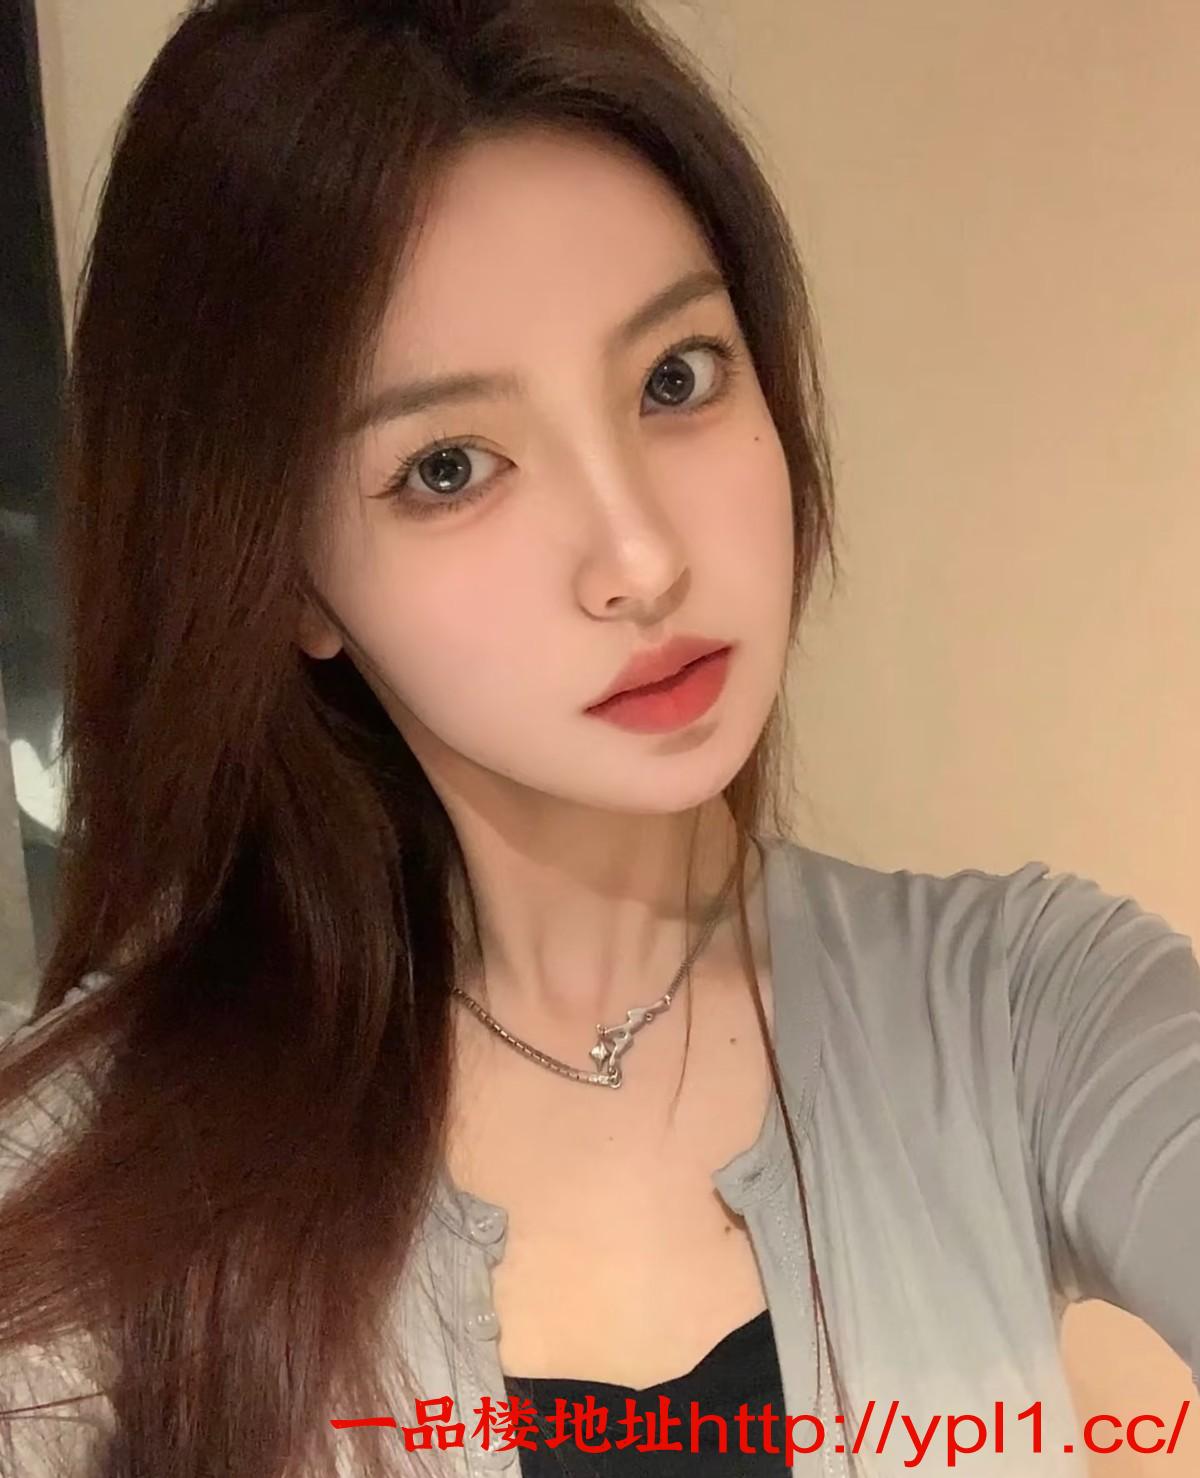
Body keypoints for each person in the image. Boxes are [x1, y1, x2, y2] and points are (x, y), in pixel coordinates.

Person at [1, 1, 1197, 1475]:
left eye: (675, 378)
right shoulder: (85, 1168)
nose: (639, 556)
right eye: (451, 466)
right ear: (289, 577)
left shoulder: (1022, 1012)